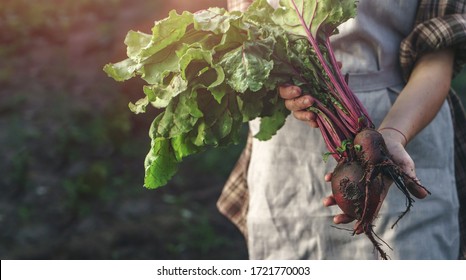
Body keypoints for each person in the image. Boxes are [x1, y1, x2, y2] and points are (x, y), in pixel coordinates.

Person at [217, 0, 466, 259]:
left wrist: (392, 135)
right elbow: (247, 34)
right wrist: (283, 87)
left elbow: (437, 58)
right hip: (289, 148)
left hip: (411, 115)